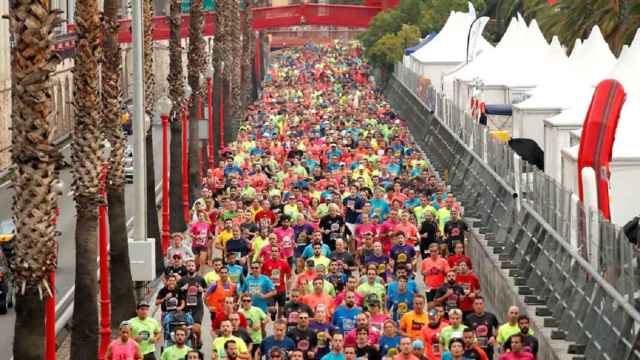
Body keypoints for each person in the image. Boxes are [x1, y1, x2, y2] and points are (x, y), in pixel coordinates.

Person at [178, 258, 208, 333]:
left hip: (197, 307)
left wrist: (202, 289)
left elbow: (206, 289)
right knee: (185, 328)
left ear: (195, 267)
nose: (191, 267)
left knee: (196, 327)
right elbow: (176, 292)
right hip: (185, 307)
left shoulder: (200, 279)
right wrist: (182, 288)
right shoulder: (182, 280)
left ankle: (198, 340)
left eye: (192, 266)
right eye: (189, 266)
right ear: (186, 268)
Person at [262, 245, 292, 317]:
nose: (274, 253)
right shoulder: (266, 263)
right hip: (270, 290)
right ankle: (273, 313)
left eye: (276, 251)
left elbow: (289, 277)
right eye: (273, 251)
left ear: (279, 253)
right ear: (270, 253)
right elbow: (262, 277)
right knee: (272, 309)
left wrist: (288, 291)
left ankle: (278, 322)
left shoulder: (284, 263)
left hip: (281, 289)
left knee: (281, 310)